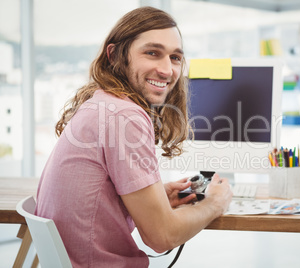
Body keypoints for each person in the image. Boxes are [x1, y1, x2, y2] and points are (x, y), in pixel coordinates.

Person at [35, 6, 232, 268]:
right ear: (115, 55)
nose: (167, 70)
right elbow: (161, 237)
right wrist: (215, 204)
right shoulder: (124, 116)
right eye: (152, 53)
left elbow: (89, 202)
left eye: (175, 58)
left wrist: (154, 198)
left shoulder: (103, 104)